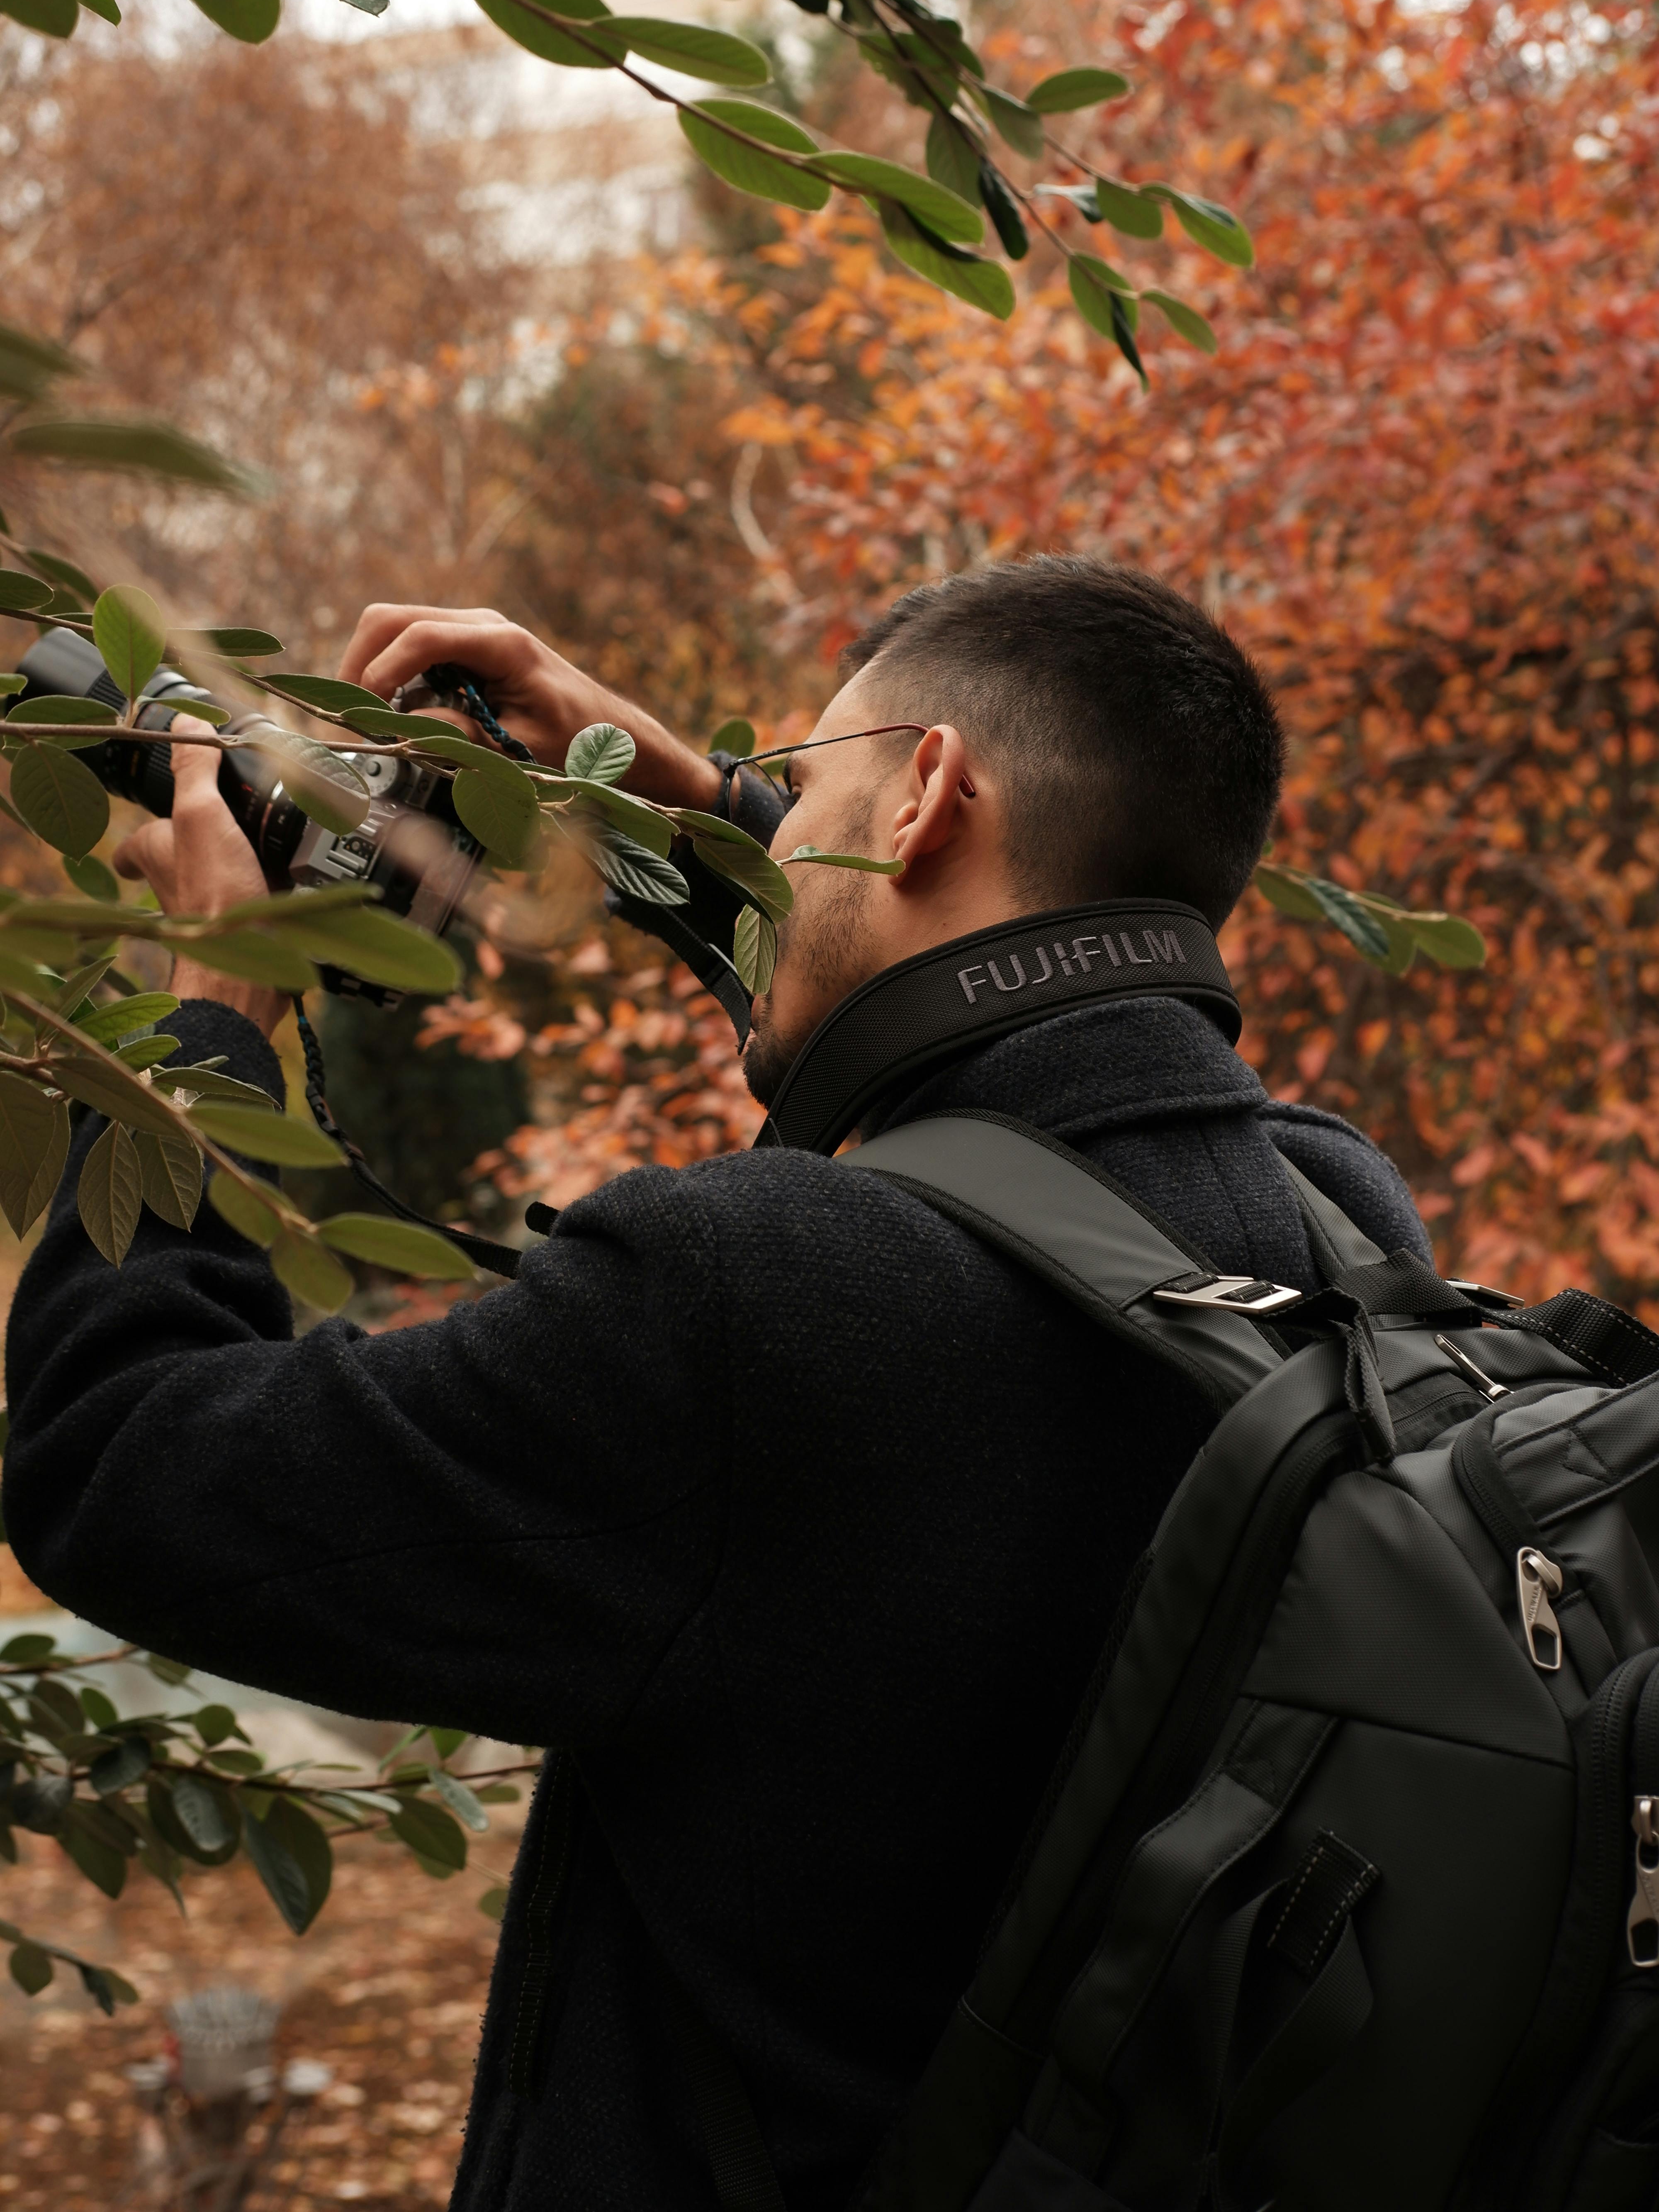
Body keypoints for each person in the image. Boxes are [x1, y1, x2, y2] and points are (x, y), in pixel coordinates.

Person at [2, 558, 1429, 2212]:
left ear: (926, 798)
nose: (773, 824)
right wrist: (687, 811)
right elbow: (995, 1094)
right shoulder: (1338, 1223)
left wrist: (210, 1020)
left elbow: (124, 1461)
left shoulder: (747, 1303)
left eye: (803, 790)